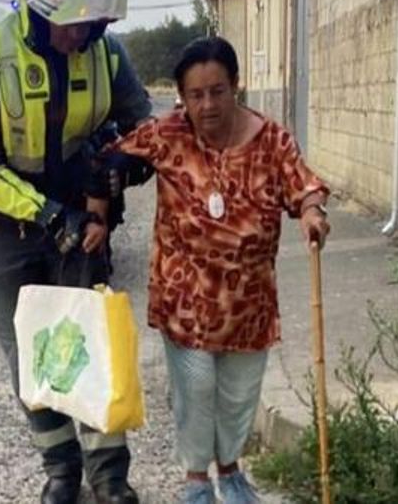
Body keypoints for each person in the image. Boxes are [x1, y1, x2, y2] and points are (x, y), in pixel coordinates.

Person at [0, 0, 152, 504]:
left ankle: (110, 478)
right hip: (8, 225)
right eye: (73, 24)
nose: (84, 34)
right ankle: (60, 470)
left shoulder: (106, 55)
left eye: (94, 23)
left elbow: (146, 127)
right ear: (37, 10)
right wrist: (50, 217)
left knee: (91, 341)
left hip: (82, 220)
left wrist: (120, 168)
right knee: (30, 354)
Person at [106, 37, 330, 504]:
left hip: (248, 303)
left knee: (238, 396)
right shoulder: (168, 134)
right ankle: (194, 478)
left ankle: (229, 470)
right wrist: (93, 210)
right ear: (182, 97)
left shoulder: (271, 140)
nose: (207, 104)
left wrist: (312, 214)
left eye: (217, 91)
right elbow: (110, 160)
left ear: (235, 86)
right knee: (196, 388)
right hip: (184, 298)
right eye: (195, 95)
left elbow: (303, 185)